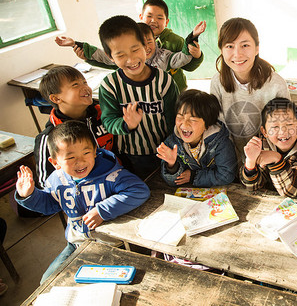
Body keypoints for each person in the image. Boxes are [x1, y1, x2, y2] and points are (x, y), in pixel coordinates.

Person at [15, 121, 150, 284]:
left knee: (118, 285)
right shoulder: (57, 180)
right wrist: (29, 195)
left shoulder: (110, 174)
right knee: (47, 282)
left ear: (95, 151)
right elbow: (49, 205)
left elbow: (139, 190)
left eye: (86, 153)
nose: (80, 162)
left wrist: (102, 210)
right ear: (55, 162)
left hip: (113, 245)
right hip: (76, 244)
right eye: (71, 157)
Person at [55, 0, 206, 92]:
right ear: (140, 17)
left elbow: (184, 62)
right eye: (149, 16)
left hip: (174, 90)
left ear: (166, 22)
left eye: (159, 17)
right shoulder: (130, 47)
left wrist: (194, 45)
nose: (153, 21)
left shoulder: (172, 45)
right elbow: (108, 57)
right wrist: (77, 45)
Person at [97, 15, 179, 179]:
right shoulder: (110, 85)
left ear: (145, 46)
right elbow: (108, 120)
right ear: (110, 56)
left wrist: (173, 146)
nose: (131, 59)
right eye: (120, 55)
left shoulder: (164, 81)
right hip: (132, 156)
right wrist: (126, 124)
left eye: (135, 50)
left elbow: (174, 118)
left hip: (165, 150)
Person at [210, 17, 290, 159]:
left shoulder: (277, 84)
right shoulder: (217, 81)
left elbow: (284, 129)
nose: (237, 54)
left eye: (245, 45)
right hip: (230, 158)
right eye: (229, 46)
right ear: (221, 50)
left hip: (266, 159)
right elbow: (218, 127)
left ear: (257, 48)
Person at [35, 66, 114, 188]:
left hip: (115, 179)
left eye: (85, 82)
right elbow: (46, 182)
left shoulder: (104, 116)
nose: (85, 88)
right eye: (75, 85)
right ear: (56, 98)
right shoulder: (50, 136)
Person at [157, 89, 237, 187]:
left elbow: (227, 175)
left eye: (193, 119)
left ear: (207, 124)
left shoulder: (221, 143)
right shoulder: (172, 143)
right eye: (180, 117)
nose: (184, 124)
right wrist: (172, 165)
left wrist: (194, 176)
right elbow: (173, 181)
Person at [241, 98, 297, 198]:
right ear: (265, 132)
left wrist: (276, 159)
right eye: (275, 126)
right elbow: (252, 186)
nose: (282, 132)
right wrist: (250, 162)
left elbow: (291, 192)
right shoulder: (261, 143)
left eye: (289, 124)